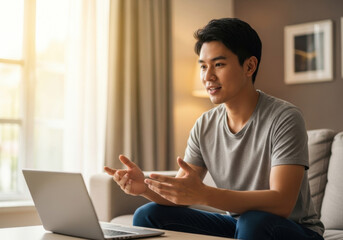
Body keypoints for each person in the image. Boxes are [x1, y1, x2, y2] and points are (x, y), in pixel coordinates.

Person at [104, 18, 324, 240]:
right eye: (203, 66)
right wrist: (144, 187)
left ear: (249, 66)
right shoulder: (205, 124)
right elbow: (179, 193)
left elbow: (281, 203)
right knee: (148, 215)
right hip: (241, 224)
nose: (207, 77)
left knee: (253, 221)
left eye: (218, 65)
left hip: (294, 230)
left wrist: (206, 194)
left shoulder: (284, 118)